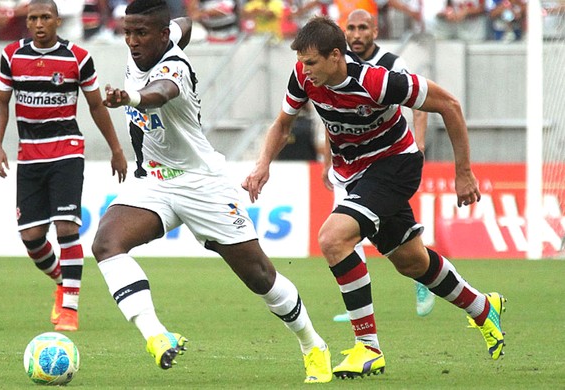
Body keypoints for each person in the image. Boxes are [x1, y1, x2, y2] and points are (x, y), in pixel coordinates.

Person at [243, 16, 505, 379]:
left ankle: (368, 348)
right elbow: (282, 123)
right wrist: (262, 166)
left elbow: (450, 105)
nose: (305, 70)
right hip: (354, 174)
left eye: (312, 62)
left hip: (395, 165)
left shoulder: (376, 81)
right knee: (411, 262)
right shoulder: (303, 76)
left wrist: (463, 172)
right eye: (302, 63)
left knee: (333, 238)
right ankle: (482, 306)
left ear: (336, 56)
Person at [91, 0, 332, 383]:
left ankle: (312, 344)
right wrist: (186, 22)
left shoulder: (175, 67)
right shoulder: (167, 36)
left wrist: (131, 98)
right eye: (128, 33)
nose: (132, 42)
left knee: (260, 277)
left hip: (202, 183)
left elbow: (161, 92)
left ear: (162, 35)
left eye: (141, 33)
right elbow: (183, 25)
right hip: (154, 181)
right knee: (106, 244)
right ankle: (157, 335)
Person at [0, 0, 128, 332]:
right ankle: (61, 280)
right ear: (28, 22)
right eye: (33, 18)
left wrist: (116, 149)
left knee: (66, 227)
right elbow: (1, 102)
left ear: (57, 21)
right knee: (32, 238)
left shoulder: (78, 58)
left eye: (45, 18)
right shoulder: (12, 56)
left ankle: (70, 307)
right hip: (30, 155)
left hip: (66, 151)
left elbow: (96, 106)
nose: (39, 23)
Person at [329, 8, 435, 320]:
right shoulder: (338, 64)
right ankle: (358, 305)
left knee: (398, 234)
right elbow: (331, 118)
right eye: (351, 28)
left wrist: (420, 142)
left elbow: (420, 103)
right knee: (342, 233)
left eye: (363, 28)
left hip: (387, 159)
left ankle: (422, 277)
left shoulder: (391, 64)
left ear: (375, 31)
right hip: (347, 165)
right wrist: (328, 160)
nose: (357, 34)